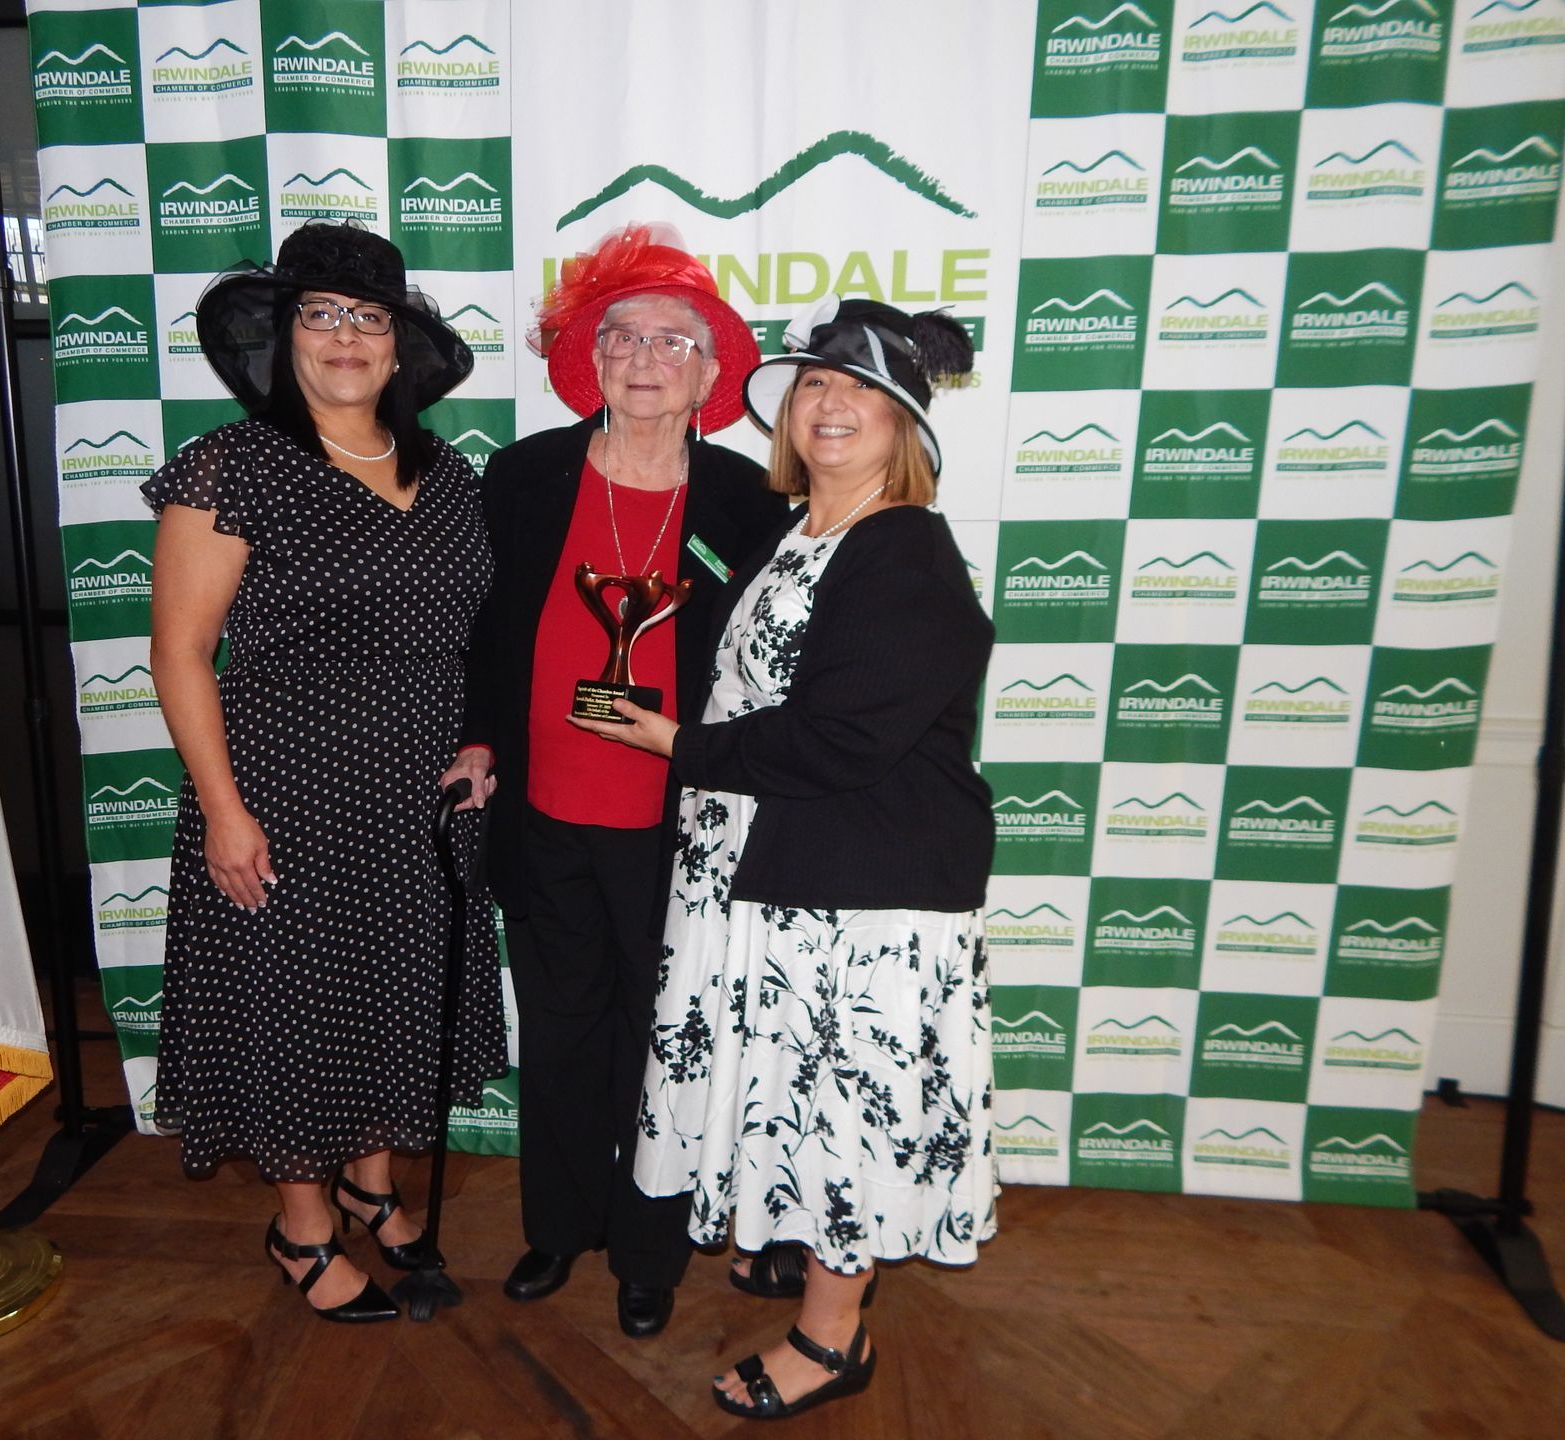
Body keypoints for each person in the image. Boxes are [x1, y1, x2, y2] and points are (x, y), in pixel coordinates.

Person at [574, 298, 997, 1417]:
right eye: (815, 383)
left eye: (862, 390)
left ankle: (833, 1339)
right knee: (790, 1098)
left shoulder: (903, 547)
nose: (831, 403)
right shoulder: (800, 534)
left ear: (905, 427)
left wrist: (676, 743)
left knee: (842, 1109)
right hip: (767, 874)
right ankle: (801, 1264)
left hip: (856, 895)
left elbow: (842, 735)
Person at [143, 220, 506, 1322]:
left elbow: (479, 634)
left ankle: (373, 1183)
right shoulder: (232, 464)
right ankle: (301, 1230)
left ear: (401, 349)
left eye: (369, 318)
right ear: (283, 338)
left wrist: (480, 740)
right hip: (283, 787)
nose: (347, 338)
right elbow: (179, 651)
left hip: (420, 794)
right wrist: (222, 810)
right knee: (298, 1009)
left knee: (397, 993)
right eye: (321, 315)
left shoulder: (449, 474)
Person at [445, 225, 787, 1337]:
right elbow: (487, 633)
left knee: (663, 1038)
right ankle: (558, 1227)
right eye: (623, 337)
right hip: (545, 812)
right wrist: (485, 738)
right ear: (591, 360)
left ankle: (649, 1252)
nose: (645, 359)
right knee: (561, 1027)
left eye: (672, 341)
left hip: (675, 828)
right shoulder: (528, 474)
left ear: (707, 372)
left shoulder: (745, 499)